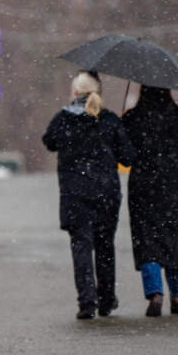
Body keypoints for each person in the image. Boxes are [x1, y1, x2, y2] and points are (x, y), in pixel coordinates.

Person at [43, 71, 136, 319]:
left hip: (75, 193)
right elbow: (128, 157)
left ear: (75, 92)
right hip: (106, 192)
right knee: (105, 245)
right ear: (98, 92)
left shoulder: (63, 118)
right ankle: (106, 300)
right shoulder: (109, 120)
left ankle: (87, 301)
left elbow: (49, 141)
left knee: (81, 246)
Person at [121, 86, 178, 317]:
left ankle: (155, 292)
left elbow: (124, 156)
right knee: (175, 237)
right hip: (177, 186)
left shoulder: (133, 119)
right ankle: (176, 293)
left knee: (146, 238)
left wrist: (123, 128)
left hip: (144, 186)